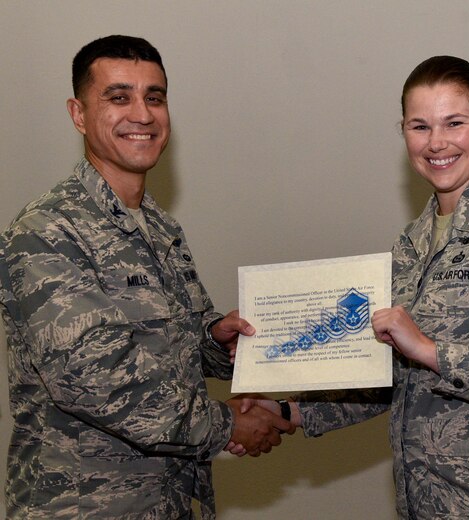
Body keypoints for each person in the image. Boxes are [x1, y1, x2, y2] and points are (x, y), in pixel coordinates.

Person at [233, 55, 469, 518]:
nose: (436, 143)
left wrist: (433, 351)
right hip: (424, 505)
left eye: (454, 123)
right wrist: (285, 406)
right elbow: (392, 376)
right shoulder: (410, 244)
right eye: (419, 126)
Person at [0, 35, 291, 519]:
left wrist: (216, 340)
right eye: (119, 97)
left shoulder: (159, 227)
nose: (142, 113)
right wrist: (226, 426)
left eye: (154, 97)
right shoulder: (47, 232)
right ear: (78, 114)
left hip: (168, 501)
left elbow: (173, 344)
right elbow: (93, 377)